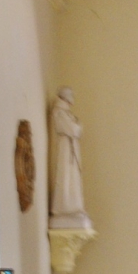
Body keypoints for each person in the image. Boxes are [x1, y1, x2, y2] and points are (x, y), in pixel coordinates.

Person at [49, 87, 91, 226]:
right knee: (66, 177)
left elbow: (77, 129)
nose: (72, 98)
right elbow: (73, 129)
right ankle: (64, 208)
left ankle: (73, 207)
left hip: (71, 149)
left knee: (73, 179)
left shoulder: (67, 114)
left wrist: (77, 128)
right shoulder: (59, 112)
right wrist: (76, 128)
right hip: (65, 150)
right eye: (71, 95)